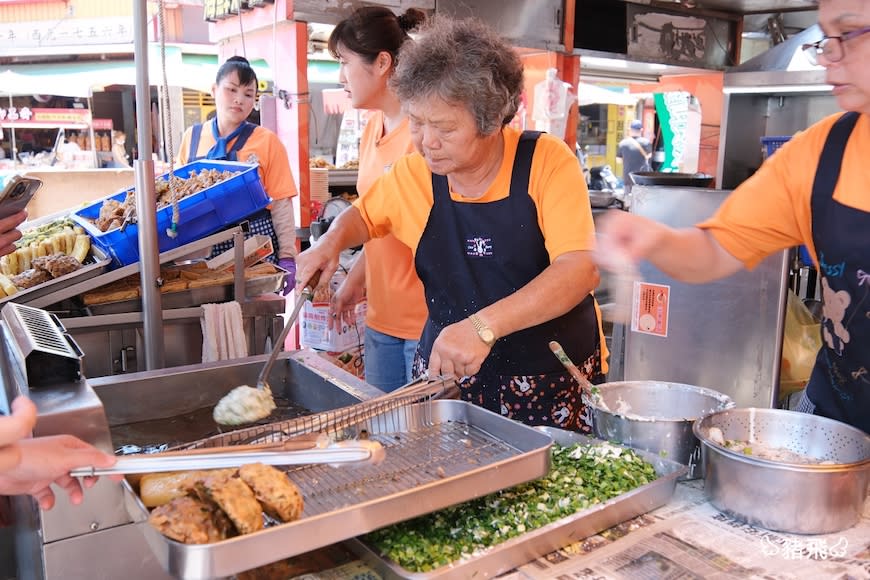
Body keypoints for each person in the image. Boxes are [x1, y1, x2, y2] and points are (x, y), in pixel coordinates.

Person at [297, 16, 606, 431]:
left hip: (549, 380)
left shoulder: (545, 162)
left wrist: (482, 327)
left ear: (493, 120)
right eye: (418, 123)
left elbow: (578, 269)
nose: (426, 142)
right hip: (450, 380)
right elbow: (364, 217)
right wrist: (331, 243)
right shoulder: (415, 174)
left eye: (443, 127)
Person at [599, 0, 869, 434]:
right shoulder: (820, 154)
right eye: (825, 39)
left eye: (850, 32)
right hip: (835, 427)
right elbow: (715, 249)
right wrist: (651, 236)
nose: (828, 56)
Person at [326, 6, 428, 392]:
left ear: (382, 62)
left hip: (423, 321)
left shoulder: (424, 135)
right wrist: (357, 277)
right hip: (380, 317)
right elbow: (378, 219)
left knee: (423, 445)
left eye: (345, 62)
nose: (340, 76)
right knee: (385, 440)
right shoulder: (372, 128)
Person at [176, 56, 298, 283]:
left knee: (254, 316)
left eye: (248, 94)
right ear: (214, 90)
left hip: (254, 247)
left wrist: (288, 255)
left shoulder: (267, 141)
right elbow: (176, 201)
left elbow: (281, 205)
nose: (239, 100)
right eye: (231, 90)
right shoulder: (191, 138)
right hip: (200, 249)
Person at [615, 119, 651, 195]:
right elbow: (649, 157)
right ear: (641, 130)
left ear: (630, 130)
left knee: (628, 199)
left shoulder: (623, 143)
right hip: (642, 178)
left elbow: (618, 161)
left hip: (627, 177)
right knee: (641, 200)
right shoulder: (646, 142)